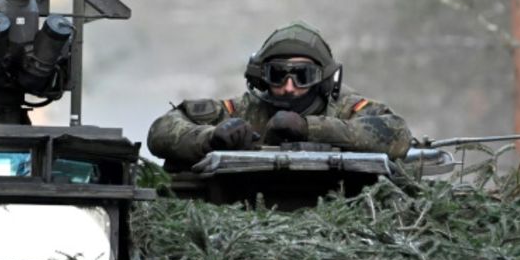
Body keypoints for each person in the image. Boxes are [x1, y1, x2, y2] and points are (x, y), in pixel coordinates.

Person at [146, 22, 411, 168]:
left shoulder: (347, 109)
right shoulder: (240, 110)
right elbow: (162, 130)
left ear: (323, 79)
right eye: (277, 75)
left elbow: (397, 134)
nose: (288, 87)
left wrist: (309, 128)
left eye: (302, 76)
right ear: (260, 77)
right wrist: (210, 138)